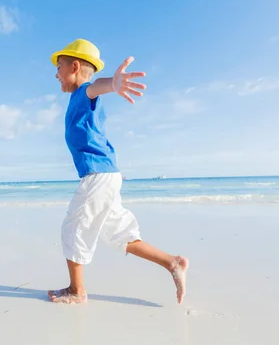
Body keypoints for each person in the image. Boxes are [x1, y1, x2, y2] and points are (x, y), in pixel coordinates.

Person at [47, 38, 189, 304]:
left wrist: (112, 83)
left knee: (73, 228)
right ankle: (173, 263)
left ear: (75, 66)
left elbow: (95, 88)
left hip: (98, 177)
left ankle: (77, 291)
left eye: (59, 67)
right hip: (108, 176)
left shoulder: (84, 92)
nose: (56, 74)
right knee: (119, 235)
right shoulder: (80, 99)